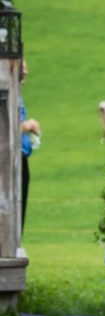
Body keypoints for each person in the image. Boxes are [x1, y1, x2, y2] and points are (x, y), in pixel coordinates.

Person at [18, 58, 40, 231]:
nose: (26, 71)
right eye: (22, 67)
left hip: (21, 159)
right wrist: (28, 125)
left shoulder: (17, 96)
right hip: (11, 162)